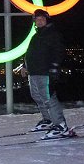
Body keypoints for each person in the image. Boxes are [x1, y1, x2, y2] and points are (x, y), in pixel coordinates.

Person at [20, 9, 68, 139]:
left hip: (45, 72)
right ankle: (48, 120)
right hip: (34, 72)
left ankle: (61, 125)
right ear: (34, 22)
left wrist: (54, 68)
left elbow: (59, 52)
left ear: (47, 20)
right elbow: (29, 53)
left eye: (42, 19)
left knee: (48, 98)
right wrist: (25, 66)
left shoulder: (53, 34)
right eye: (37, 19)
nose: (39, 21)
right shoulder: (36, 36)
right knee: (37, 97)